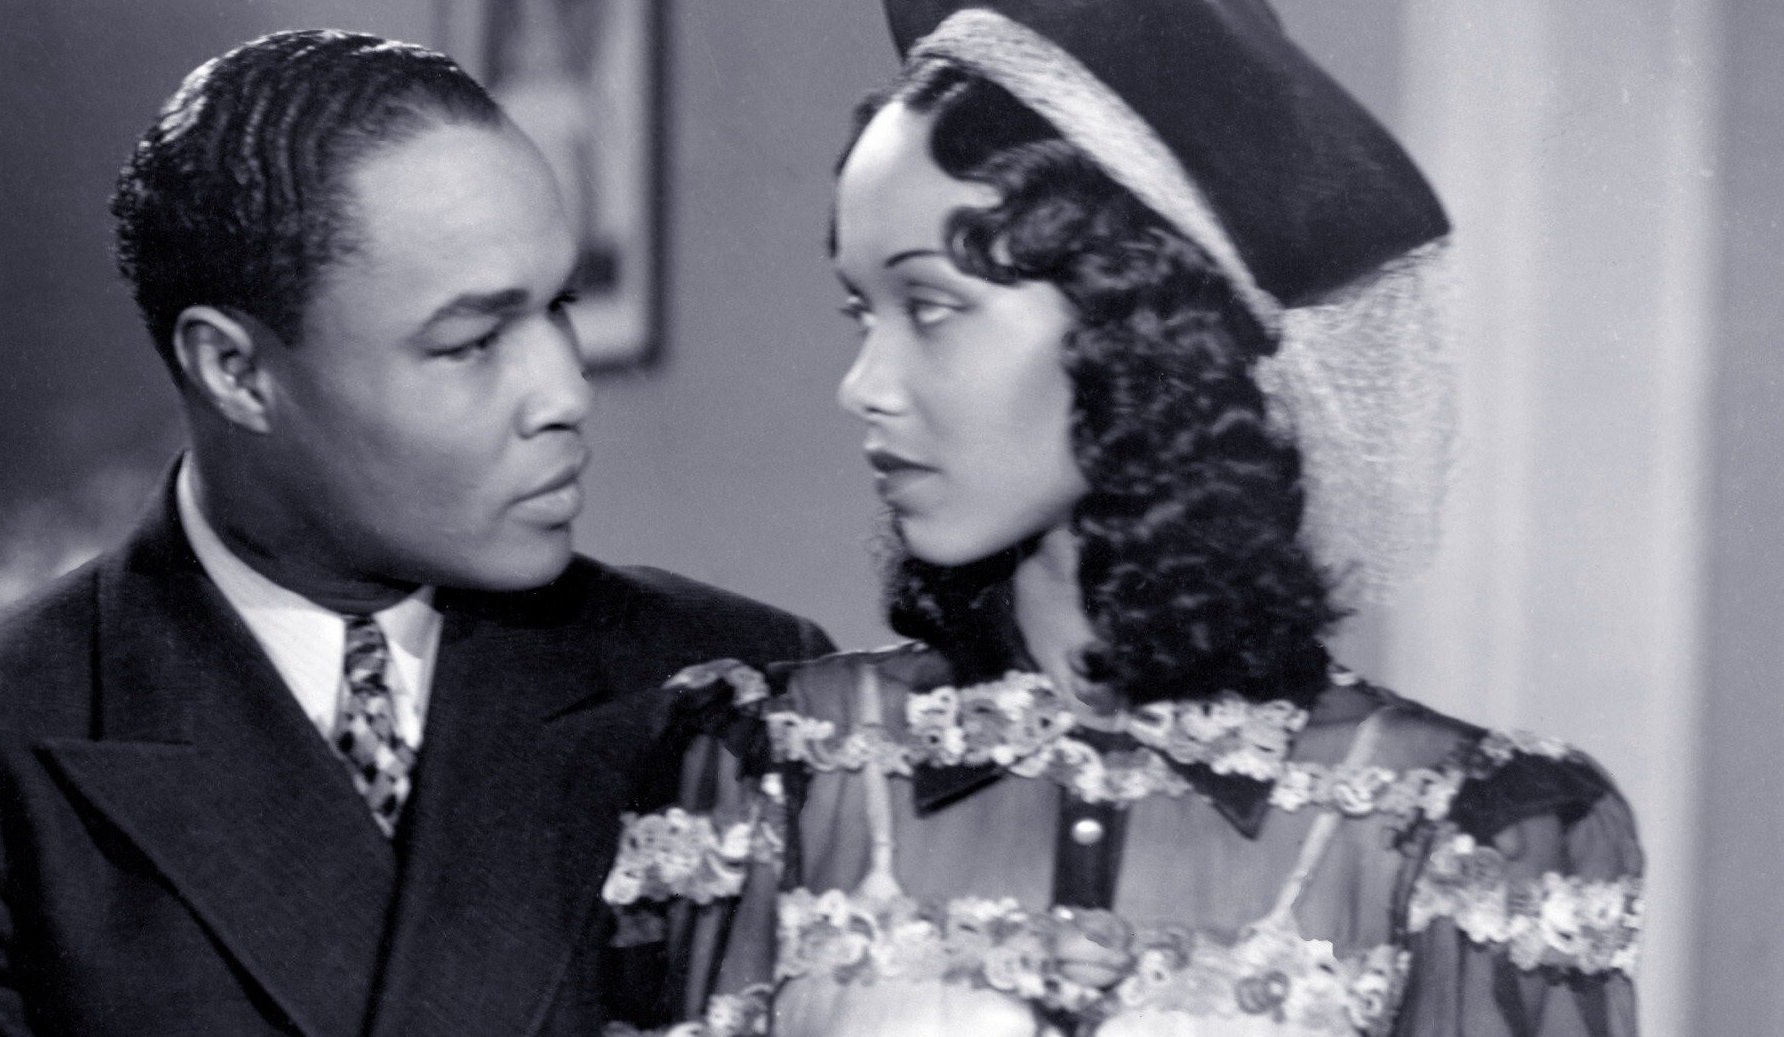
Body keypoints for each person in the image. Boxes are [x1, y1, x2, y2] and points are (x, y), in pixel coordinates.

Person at [603, 2, 1642, 1035]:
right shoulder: (770, 769)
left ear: (1133, 324)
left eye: (929, 307)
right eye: (858, 311)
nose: (864, 385)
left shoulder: (1464, 828)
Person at [0, 29, 830, 1037]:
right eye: (472, 342)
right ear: (236, 371)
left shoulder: (734, 686)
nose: (565, 392)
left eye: (560, 306)